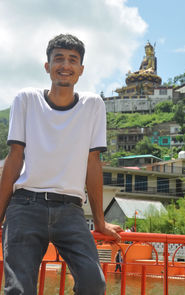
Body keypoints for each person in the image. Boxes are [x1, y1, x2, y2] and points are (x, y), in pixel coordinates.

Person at [0, 33, 123, 295]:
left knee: (94, 283)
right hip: (25, 206)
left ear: (80, 70)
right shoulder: (27, 99)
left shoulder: (93, 105)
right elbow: (14, 157)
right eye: (58, 59)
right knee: (19, 289)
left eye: (72, 60)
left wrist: (100, 222)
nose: (65, 65)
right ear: (47, 66)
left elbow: (93, 163)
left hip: (70, 210)